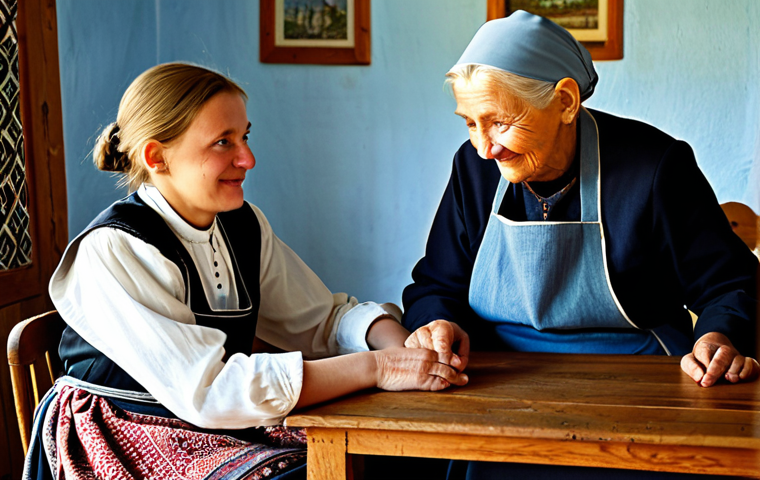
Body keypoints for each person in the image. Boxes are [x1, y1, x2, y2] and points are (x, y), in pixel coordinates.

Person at [25, 62, 467, 480]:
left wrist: (407, 350)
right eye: (223, 142)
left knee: (408, 458)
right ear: (157, 157)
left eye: (245, 137)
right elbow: (211, 391)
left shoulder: (242, 224)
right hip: (122, 434)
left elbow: (320, 319)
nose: (248, 158)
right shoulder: (115, 249)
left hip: (218, 422)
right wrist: (376, 368)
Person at [402, 10, 759, 479]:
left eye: (500, 123)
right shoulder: (473, 169)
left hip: (637, 396)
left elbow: (729, 284)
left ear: (566, 102)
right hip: (495, 391)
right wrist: (436, 322)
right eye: (469, 124)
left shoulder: (654, 166)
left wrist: (718, 337)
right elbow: (435, 283)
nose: (485, 147)